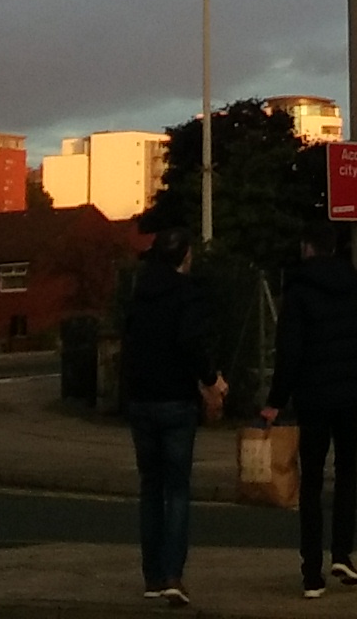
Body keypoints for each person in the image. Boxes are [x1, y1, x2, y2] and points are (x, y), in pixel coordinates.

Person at [264, 224, 357, 597]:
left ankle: (311, 574)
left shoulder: (298, 292)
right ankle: (343, 555)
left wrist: (274, 402)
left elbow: (289, 354)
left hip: (313, 398)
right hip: (349, 397)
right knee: (346, 474)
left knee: (312, 481)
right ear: (335, 248)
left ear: (307, 248)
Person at [120, 227, 226, 608]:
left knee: (150, 488)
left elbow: (129, 343)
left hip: (141, 400)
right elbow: (190, 342)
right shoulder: (187, 294)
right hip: (176, 401)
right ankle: (172, 576)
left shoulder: (139, 293)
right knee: (177, 489)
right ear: (183, 256)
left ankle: (150, 576)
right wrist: (211, 380)